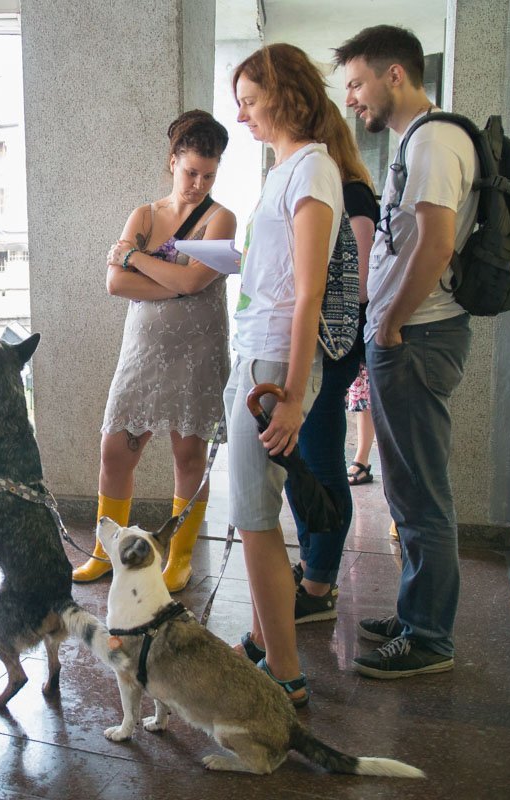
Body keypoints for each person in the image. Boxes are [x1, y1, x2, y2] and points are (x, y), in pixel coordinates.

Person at [335, 24, 477, 679]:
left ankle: (430, 638)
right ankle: (415, 612)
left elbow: (437, 242)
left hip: (417, 337)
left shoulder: (437, 139)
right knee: (405, 490)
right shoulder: (413, 142)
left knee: (423, 496)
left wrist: (389, 322)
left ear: (396, 75)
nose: (353, 99)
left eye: (358, 83)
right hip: (405, 337)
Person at [220, 45, 344, 708]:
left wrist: (293, 395)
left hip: (273, 365)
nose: (241, 116)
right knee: (253, 514)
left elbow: (308, 293)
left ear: (281, 92)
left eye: (248, 100)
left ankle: (286, 673)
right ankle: (270, 645)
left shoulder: (313, 169)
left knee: (255, 518)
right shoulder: (288, 168)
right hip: (257, 359)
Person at [71, 110, 236, 591]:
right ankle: (105, 550)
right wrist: (173, 282)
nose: (198, 183)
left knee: (188, 455)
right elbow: (115, 282)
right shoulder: (144, 214)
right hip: (143, 351)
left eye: (208, 174)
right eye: (191, 172)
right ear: (172, 162)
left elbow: (193, 280)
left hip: (197, 351)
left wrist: (136, 258)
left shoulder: (219, 217)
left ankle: (179, 557)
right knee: (115, 452)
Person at [282, 100, 380, 624]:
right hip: (322, 342)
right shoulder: (333, 189)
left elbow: (359, 285)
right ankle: (313, 567)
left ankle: (319, 584)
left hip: (332, 343)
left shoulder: (351, 193)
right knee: (308, 458)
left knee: (320, 460)